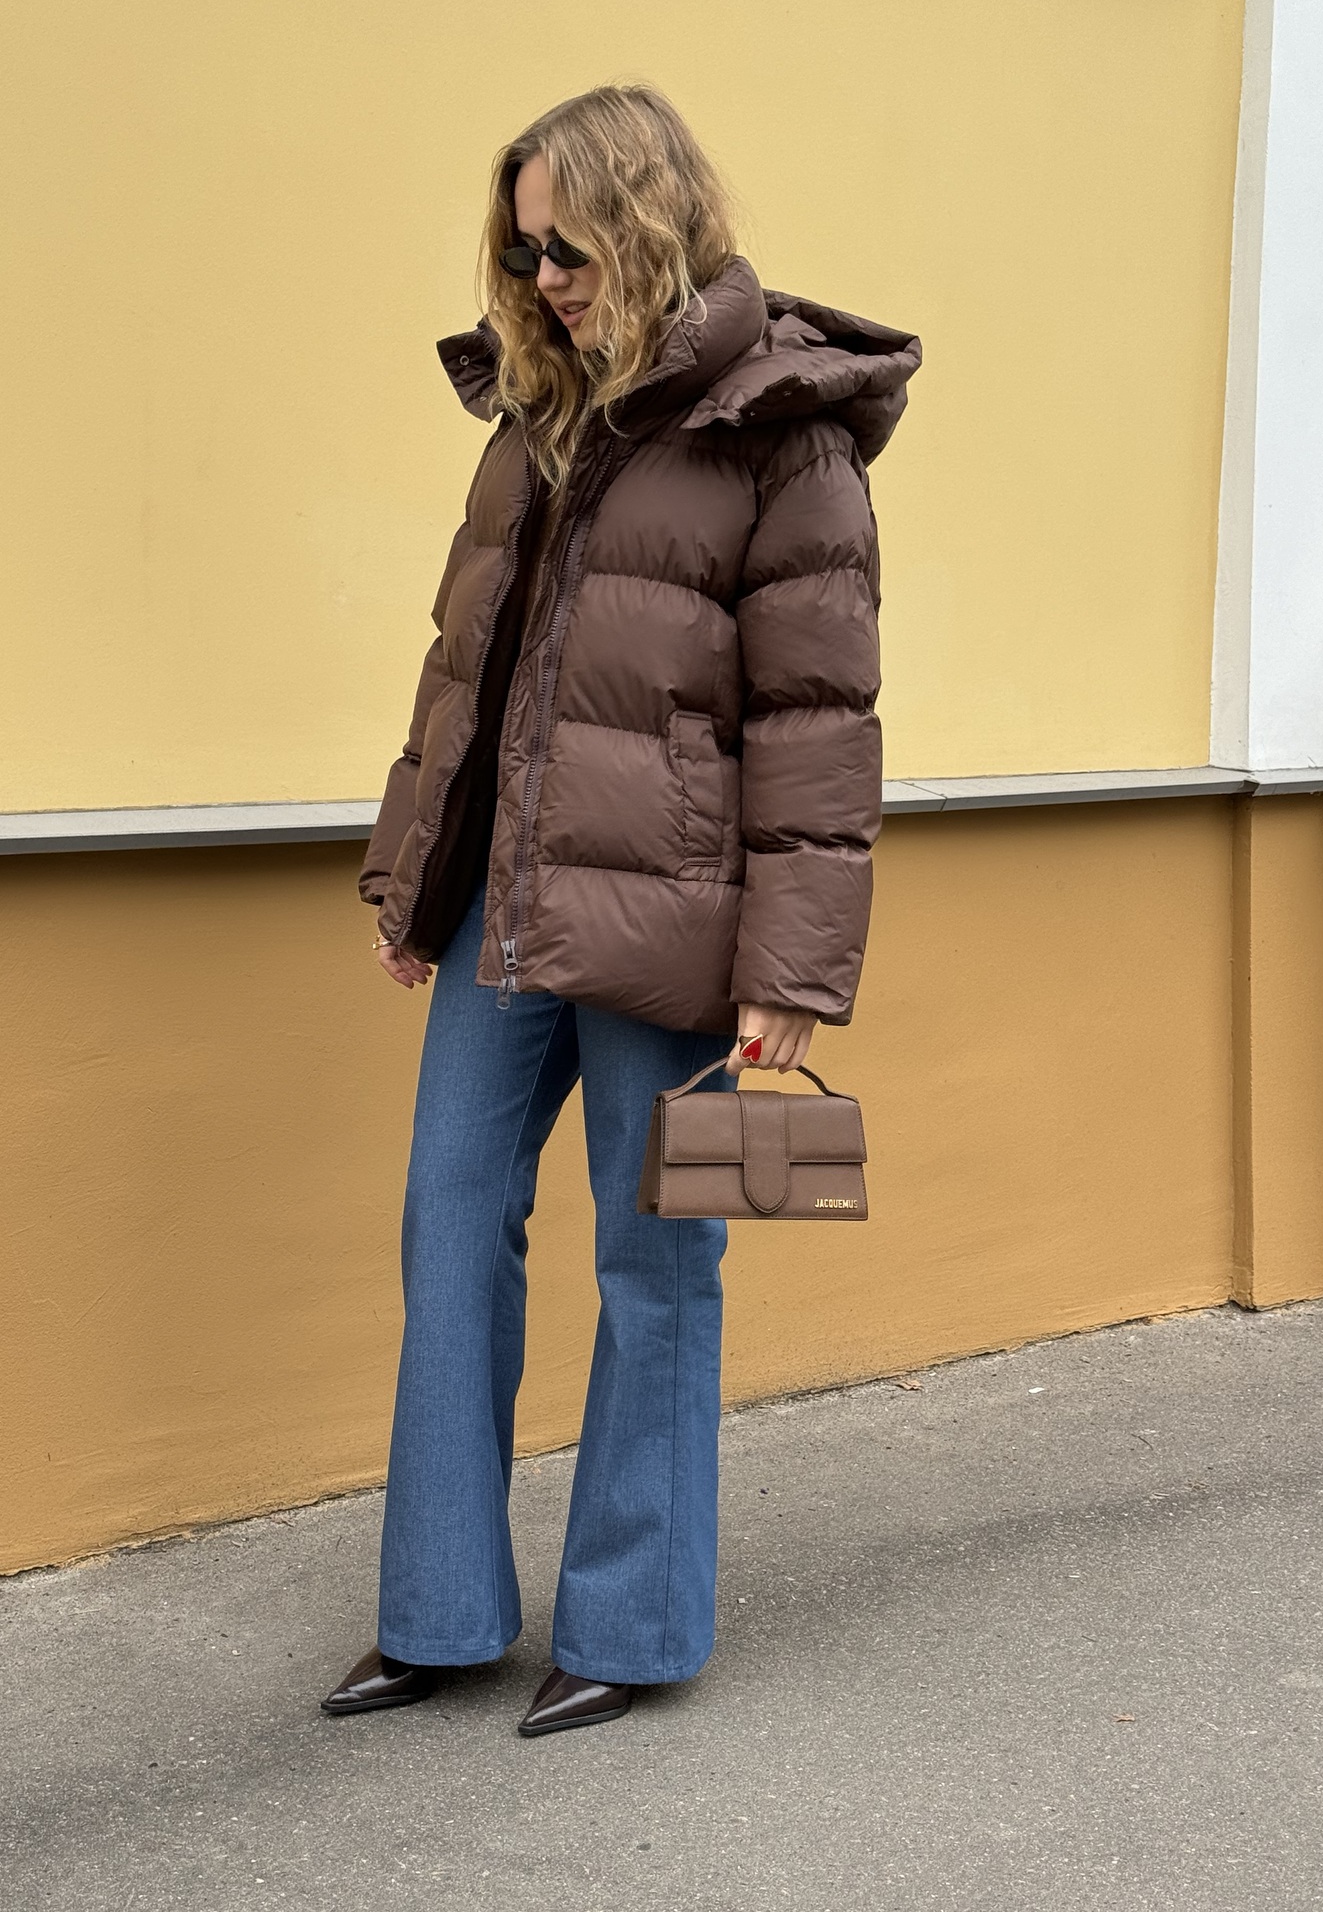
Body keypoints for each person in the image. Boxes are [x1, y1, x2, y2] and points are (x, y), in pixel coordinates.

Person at [323, 85, 919, 1737]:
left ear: (646, 224)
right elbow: (464, 675)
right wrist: (410, 877)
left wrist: (794, 965)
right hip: (503, 911)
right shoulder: (535, 417)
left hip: (673, 922)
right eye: (521, 252)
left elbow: (817, 723)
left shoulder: (781, 433)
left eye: (566, 249)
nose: (541, 280)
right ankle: (438, 1610)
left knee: (657, 1259)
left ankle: (633, 1623)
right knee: (449, 1223)